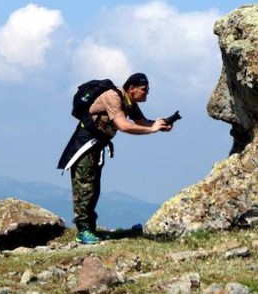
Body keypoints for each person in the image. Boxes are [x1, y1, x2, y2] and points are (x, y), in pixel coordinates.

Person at [56, 72, 172, 244]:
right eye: (144, 89)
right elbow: (124, 126)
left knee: (93, 188)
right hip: (85, 145)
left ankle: (91, 229)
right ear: (132, 88)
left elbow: (141, 122)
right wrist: (152, 129)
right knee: (85, 188)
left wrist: (160, 125)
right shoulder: (113, 97)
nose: (147, 92)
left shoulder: (129, 101)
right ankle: (83, 231)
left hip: (98, 146)